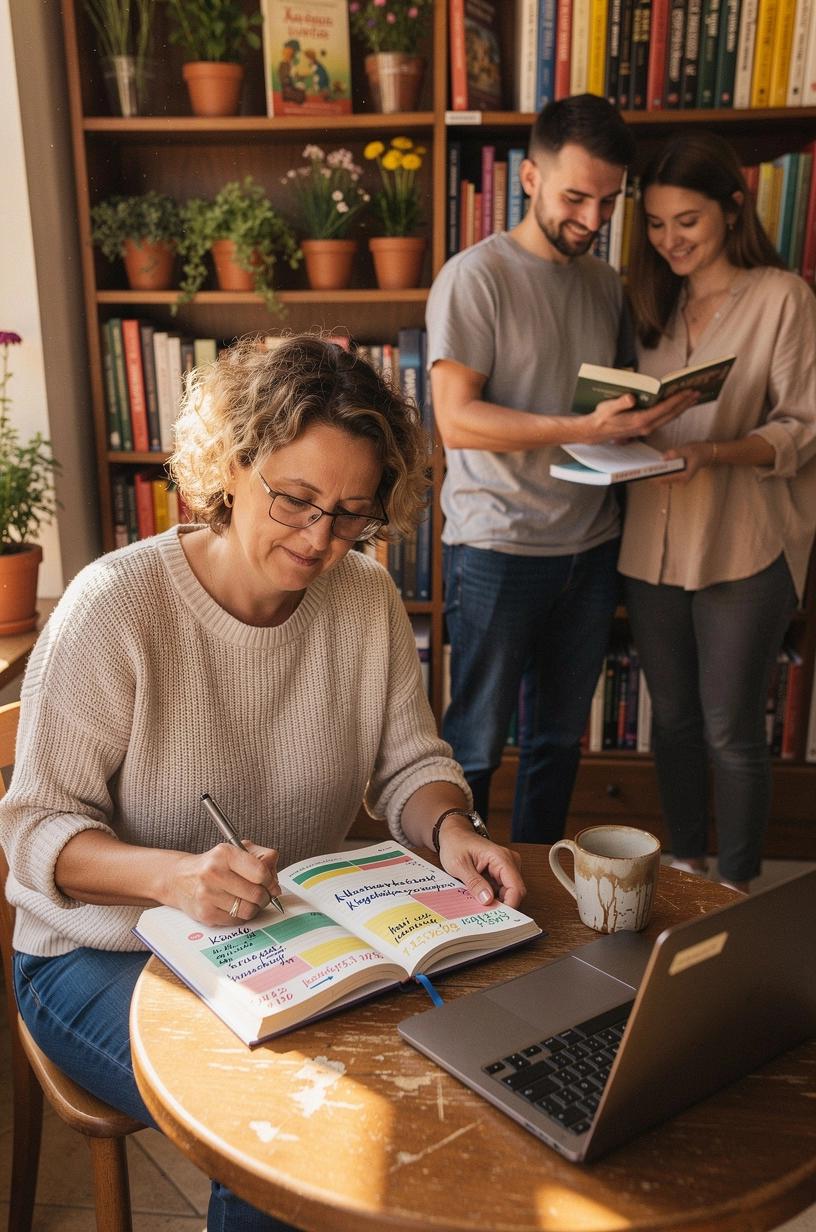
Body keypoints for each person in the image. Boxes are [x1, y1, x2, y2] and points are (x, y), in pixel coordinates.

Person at [0, 335, 526, 1232]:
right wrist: (173, 877)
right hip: (102, 954)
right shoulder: (116, 607)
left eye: (352, 512)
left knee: (438, 1082)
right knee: (284, 1127)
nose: (321, 539)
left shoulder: (362, 599)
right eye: (297, 500)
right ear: (233, 466)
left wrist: (451, 832)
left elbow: (412, 764)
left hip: (289, 942)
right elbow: (33, 830)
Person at [426, 94, 696, 844]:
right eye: (575, 197)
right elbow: (457, 421)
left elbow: (603, 414)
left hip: (590, 546)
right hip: (498, 549)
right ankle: (460, 898)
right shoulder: (475, 277)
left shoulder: (605, 284)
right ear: (529, 178)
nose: (592, 218)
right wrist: (585, 426)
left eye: (609, 201)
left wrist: (645, 431)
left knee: (555, 743)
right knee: (474, 743)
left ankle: (540, 886)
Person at [620, 130, 816, 892]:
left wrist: (715, 451)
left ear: (733, 210)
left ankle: (735, 889)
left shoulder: (783, 298)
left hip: (746, 543)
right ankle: (685, 861)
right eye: (658, 224)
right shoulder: (648, 302)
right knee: (671, 722)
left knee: (731, 729)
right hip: (650, 543)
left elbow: (804, 426)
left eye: (688, 222)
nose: (671, 241)